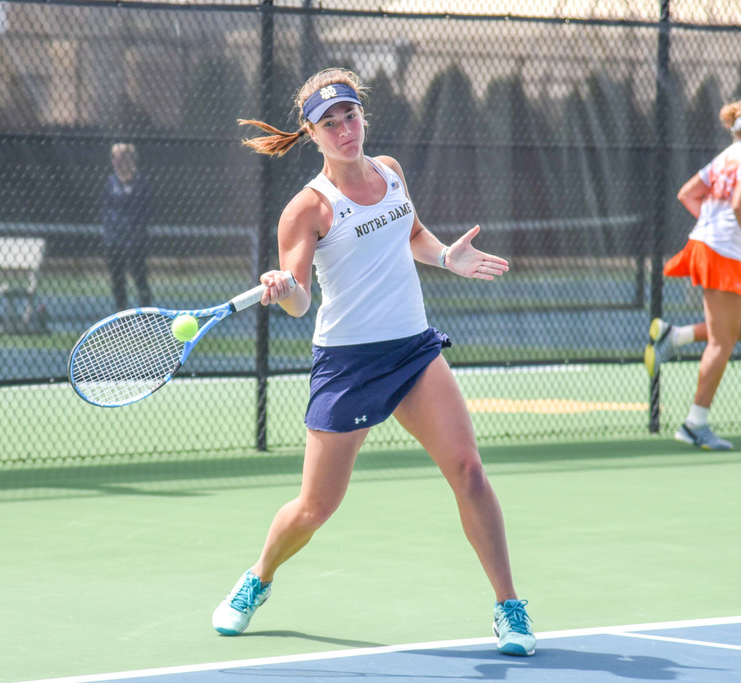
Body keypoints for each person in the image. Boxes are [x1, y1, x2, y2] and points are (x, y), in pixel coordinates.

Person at [211, 68, 535, 657]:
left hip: (412, 349)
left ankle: (509, 605)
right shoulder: (306, 209)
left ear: (363, 116)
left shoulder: (390, 171)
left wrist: (445, 257)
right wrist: (284, 287)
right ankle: (258, 577)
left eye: (351, 116)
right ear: (310, 132)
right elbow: (302, 301)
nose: (344, 131)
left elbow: (410, 234)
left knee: (468, 469)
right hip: (348, 364)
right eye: (329, 123)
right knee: (316, 507)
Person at [644, 99, 741, 451]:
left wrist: (712, 225)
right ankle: (694, 424)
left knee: (730, 328)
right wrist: (726, 230)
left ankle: (676, 336)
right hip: (724, 252)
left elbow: (688, 194)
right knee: (723, 341)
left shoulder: (726, 156)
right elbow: (739, 205)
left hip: (712, 246)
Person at [102, 142, 152, 311]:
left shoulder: (141, 182)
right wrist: (110, 234)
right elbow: (107, 211)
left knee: (140, 279)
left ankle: (145, 317)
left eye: (122, 157)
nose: (117, 161)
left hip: (136, 240)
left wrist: (135, 235)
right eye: (115, 157)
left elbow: (145, 212)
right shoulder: (111, 182)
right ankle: (120, 316)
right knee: (117, 280)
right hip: (114, 240)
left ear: (131, 159)